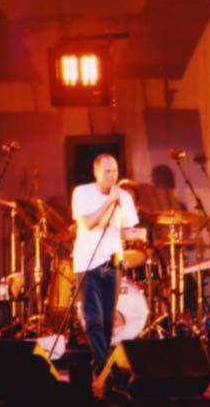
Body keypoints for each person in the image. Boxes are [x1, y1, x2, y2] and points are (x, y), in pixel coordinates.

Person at [71, 154, 139, 377]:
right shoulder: (82, 193)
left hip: (113, 262)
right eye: (107, 171)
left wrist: (135, 234)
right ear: (96, 172)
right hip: (88, 262)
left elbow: (126, 230)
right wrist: (110, 201)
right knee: (94, 318)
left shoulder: (124, 197)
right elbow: (88, 224)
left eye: (115, 171)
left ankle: (102, 366)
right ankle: (104, 368)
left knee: (108, 320)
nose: (112, 176)